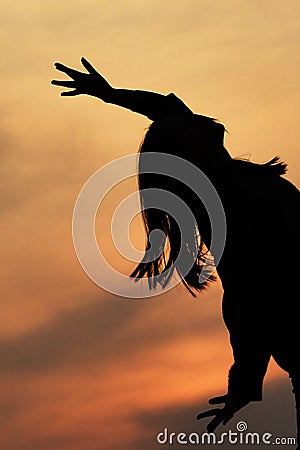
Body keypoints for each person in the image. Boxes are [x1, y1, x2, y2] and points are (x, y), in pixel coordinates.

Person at [51, 58, 300, 447]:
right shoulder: (228, 206)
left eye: (184, 117)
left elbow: (165, 108)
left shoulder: (231, 177)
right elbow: (248, 300)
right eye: (184, 123)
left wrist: (110, 94)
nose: (189, 114)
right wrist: (246, 382)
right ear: (190, 156)